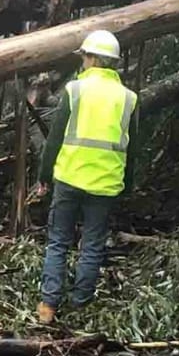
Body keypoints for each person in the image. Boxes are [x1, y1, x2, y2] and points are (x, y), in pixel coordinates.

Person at [35, 29, 137, 324]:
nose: (82, 62)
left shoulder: (75, 90)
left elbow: (54, 138)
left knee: (58, 242)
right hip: (106, 184)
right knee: (92, 246)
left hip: (69, 176)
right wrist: (126, 186)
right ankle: (81, 305)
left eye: (84, 57)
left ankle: (48, 307)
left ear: (92, 58)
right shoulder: (128, 98)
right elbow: (133, 146)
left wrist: (44, 175)